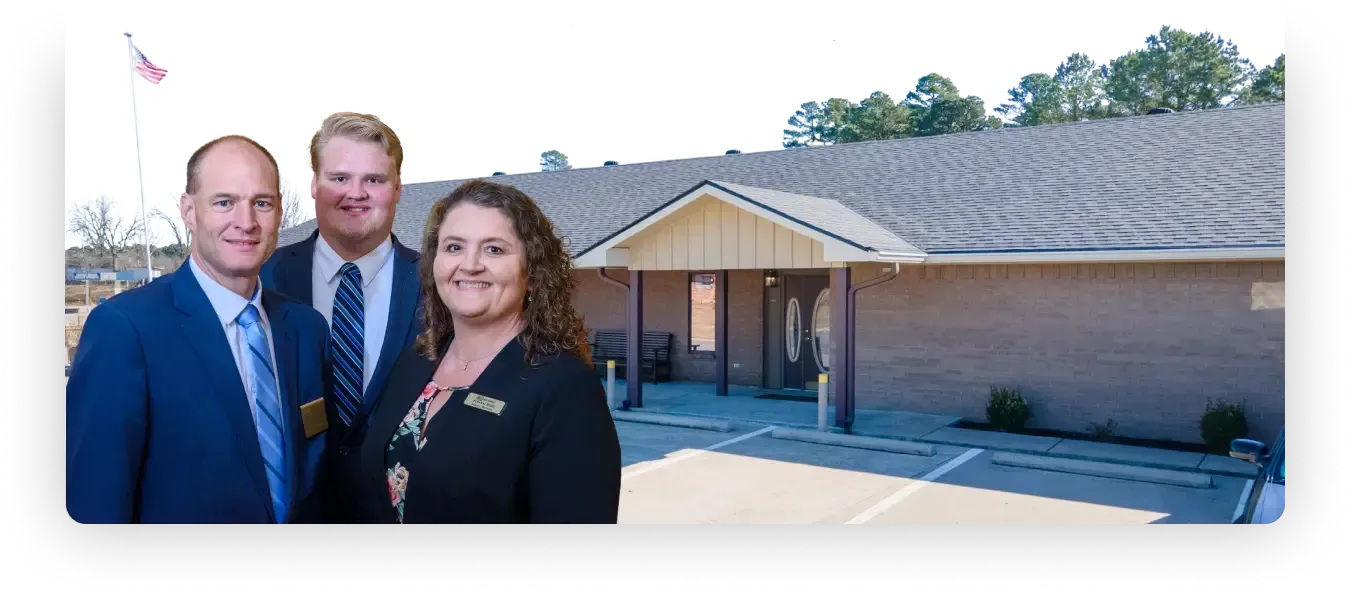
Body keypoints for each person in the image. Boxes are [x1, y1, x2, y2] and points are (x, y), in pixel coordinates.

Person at [65, 135, 332, 524]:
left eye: (262, 203)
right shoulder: (125, 330)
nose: (246, 222)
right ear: (188, 211)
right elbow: (95, 504)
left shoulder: (308, 329)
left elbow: (315, 477)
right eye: (224, 202)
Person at [341, 179, 621, 524]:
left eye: (494, 250)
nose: (470, 265)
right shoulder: (417, 360)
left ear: (532, 272)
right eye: (454, 247)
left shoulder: (565, 388)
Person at [260, 112, 423, 521]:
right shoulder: (263, 278)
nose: (356, 193)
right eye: (339, 178)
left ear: (398, 188)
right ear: (314, 185)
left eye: (374, 179)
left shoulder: (439, 285)